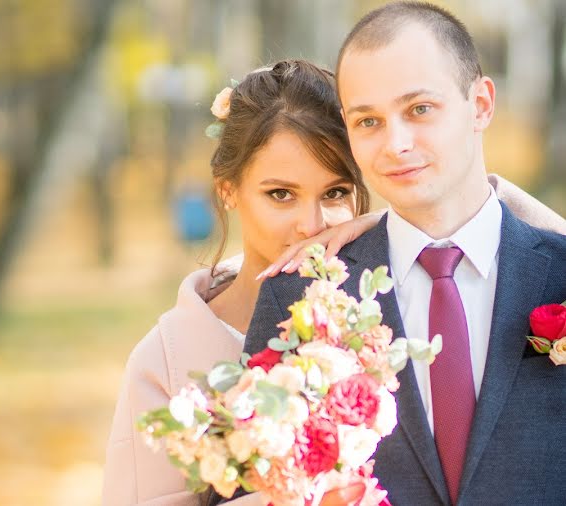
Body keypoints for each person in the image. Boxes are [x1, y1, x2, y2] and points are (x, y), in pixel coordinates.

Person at [102, 58, 564, 504]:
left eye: (336, 193)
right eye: (280, 195)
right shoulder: (168, 358)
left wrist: (382, 222)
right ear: (228, 191)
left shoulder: (383, 302)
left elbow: (498, 227)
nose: (312, 224)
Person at [241, 3, 566, 506]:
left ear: (480, 104)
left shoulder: (560, 275)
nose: (395, 144)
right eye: (368, 120)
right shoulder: (299, 297)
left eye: (419, 109)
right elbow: (248, 481)